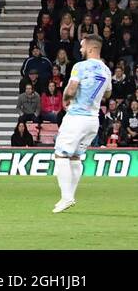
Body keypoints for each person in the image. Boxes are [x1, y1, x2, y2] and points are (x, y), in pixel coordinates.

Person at [52, 33, 112, 214]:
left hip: (77, 117)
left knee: (61, 155)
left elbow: (71, 89)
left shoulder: (81, 66)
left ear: (91, 48)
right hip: (93, 120)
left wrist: (65, 100)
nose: (80, 49)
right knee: (76, 157)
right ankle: (69, 196)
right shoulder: (106, 70)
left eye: (83, 46)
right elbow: (108, 94)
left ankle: (66, 197)